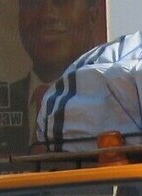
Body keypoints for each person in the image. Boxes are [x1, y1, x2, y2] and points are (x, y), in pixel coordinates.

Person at [17, 0, 103, 150]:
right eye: (32, 2)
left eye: (61, 2)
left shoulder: (112, 99)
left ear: (92, 15)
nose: (46, 15)